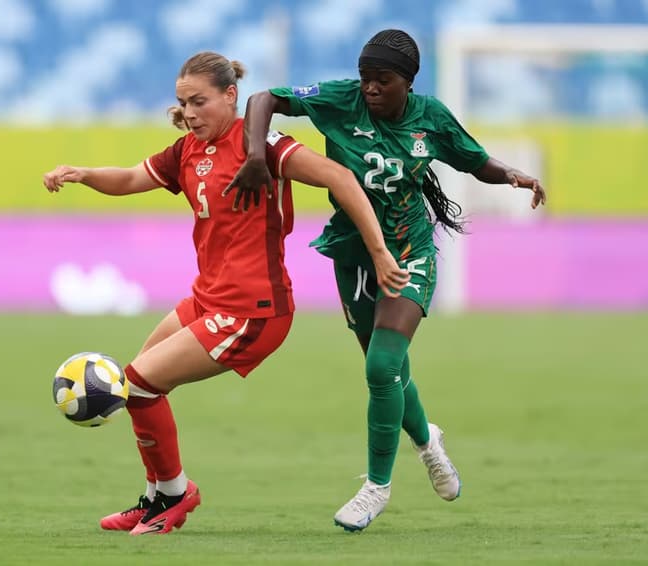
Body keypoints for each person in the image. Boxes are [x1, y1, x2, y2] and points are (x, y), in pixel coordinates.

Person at [42, 51, 409, 536]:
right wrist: (83, 174)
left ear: (230, 95)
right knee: (139, 388)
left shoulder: (262, 145)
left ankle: (175, 494)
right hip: (208, 298)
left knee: (140, 382)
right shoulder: (188, 151)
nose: (190, 113)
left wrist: (379, 252)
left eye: (199, 102)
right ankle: (157, 496)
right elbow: (131, 178)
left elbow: (340, 177)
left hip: (252, 311)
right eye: (183, 103)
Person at [225, 29, 547, 532]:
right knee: (390, 373)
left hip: (408, 251)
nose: (371, 88)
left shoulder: (431, 117)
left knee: (381, 365)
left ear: (408, 83)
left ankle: (376, 487)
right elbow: (263, 99)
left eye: (383, 80)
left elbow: (474, 160)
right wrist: (253, 155)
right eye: (365, 78)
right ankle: (428, 442)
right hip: (353, 253)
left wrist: (512, 175)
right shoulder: (341, 99)